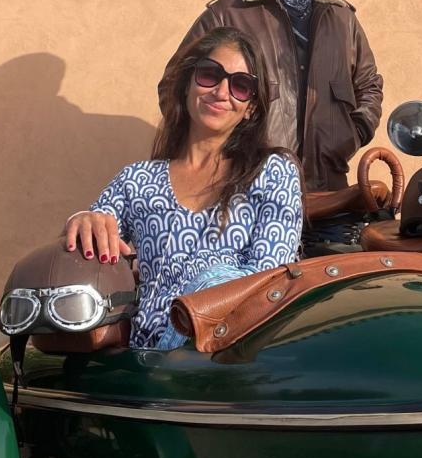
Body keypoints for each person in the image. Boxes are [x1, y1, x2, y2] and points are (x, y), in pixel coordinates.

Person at [66, 27, 303, 349]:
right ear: (187, 85)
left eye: (240, 85)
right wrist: (83, 220)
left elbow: (268, 277)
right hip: (147, 360)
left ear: (252, 108)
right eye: (210, 75)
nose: (221, 92)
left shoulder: (271, 172)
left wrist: (196, 314)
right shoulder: (138, 179)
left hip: (228, 352)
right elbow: (90, 241)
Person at [159, 0, 383, 192]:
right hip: (246, 188)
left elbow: (369, 85)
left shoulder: (342, 18)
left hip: (329, 191)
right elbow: (174, 86)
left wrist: (349, 136)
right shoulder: (227, 14)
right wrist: (222, 150)